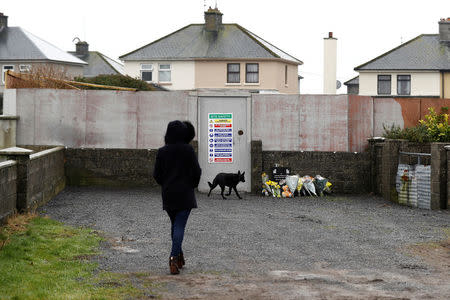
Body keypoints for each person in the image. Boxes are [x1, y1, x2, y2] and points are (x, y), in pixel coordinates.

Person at [153, 120, 201, 275]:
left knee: (174, 225)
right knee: (179, 226)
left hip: (168, 194)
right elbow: (197, 171)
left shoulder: (162, 151)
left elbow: (157, 175)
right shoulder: (188, 150)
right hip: (185, 194)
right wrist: (192, 185)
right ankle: (174, 258)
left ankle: (179, 256)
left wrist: (166, 184)